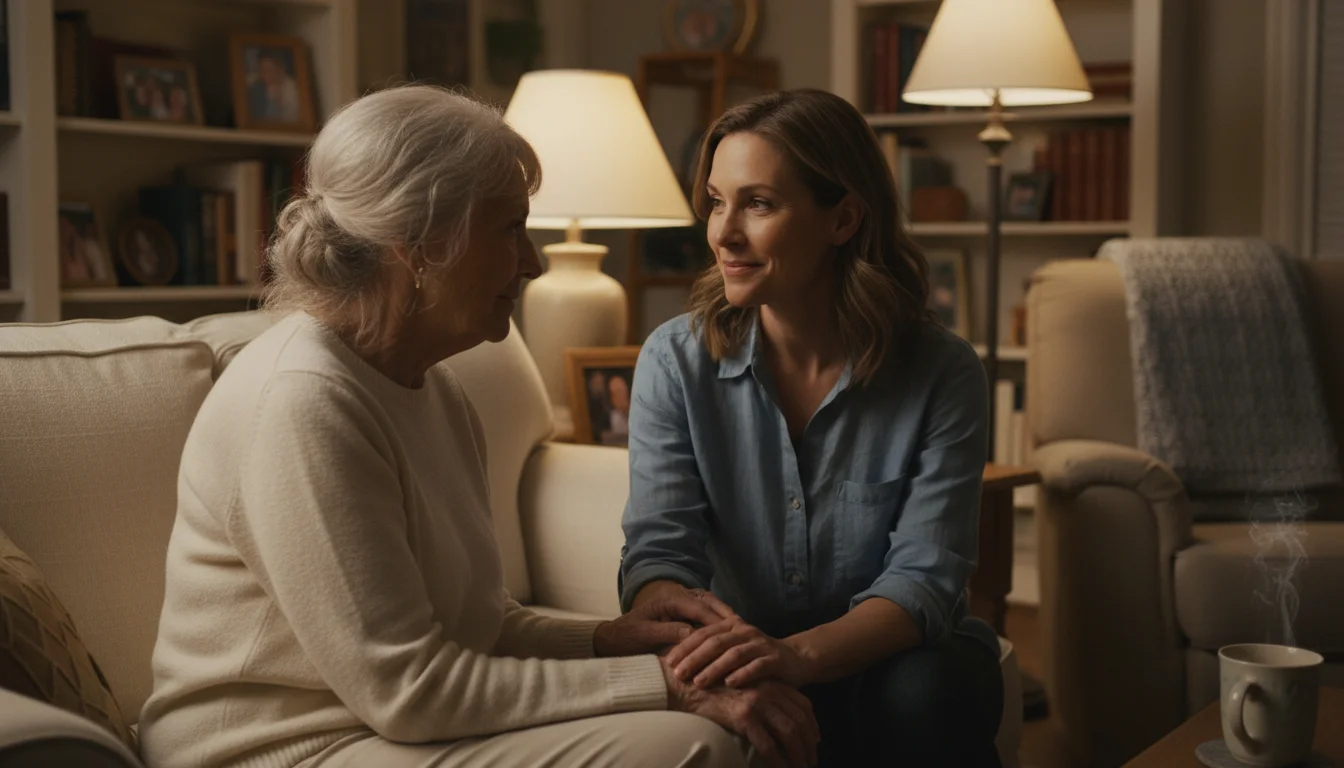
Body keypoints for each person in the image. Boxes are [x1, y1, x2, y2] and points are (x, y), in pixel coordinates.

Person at [138, 84, 820, 768]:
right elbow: (411, 689)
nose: (532, 261)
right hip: (277, 748)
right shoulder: (304, 401)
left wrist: (613, 639)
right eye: (509, 230)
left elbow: (479, 625)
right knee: (695, 741)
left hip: (384, 725)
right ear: (418, 245)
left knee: (714, 726)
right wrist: (667, 684)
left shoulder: (432, 385)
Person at [618, 89, 1005, 768]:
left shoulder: (942, 372)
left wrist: (795, 656)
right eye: (716, 200)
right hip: (744, 657)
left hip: (894, 660)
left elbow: (925, 580)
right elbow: (660, 558)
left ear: (843, 218)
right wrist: (727, 656)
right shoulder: (673, 362)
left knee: (928, 693)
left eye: (758, 203)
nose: (722, 232)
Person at [248, 50, 301, 123]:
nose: (264, 74)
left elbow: (293, 119)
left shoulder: (292, 89)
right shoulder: (256, 84)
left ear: (280, 69)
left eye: (269, 70)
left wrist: (279, 101)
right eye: (262, 69)